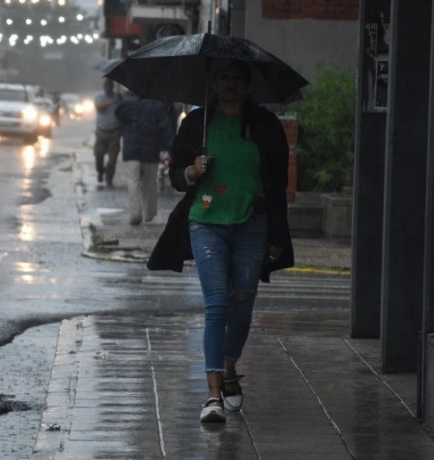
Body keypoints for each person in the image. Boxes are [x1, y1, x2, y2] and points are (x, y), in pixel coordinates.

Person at [147, 60, 294, 424]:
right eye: (223, 78)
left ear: (247, 85)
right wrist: (192, 172)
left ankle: (230, 369)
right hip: (206, 222)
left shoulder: (265, 125)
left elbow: (278, 184)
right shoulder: (196, 124)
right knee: (216, 306)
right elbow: (176, 176)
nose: (229, 84)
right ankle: (212, 396)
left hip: (252, 225)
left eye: (236, 78)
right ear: (212, 83)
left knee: (242, 306)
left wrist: (277, 234)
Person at [114, 91, 176, 225]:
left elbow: (118, 113)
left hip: (131, 148)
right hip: (151, 149)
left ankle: (135, 213)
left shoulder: (127, 103)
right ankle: (149, 213)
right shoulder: (156, 105)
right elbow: (165, 126)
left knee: (133, 181)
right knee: (150, 182)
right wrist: (168, 147)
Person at [92, 78, 123, 187]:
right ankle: (100, 171)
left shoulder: (118, 98)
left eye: (110, 85)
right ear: (103, 86)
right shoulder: (99, 97)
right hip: (101, 132)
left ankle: (109, 177)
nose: (108, 87)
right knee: (98, 155)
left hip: (115, 132)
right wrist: (111, 102)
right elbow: (99, 107)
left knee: (112, 159)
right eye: (106, 85)